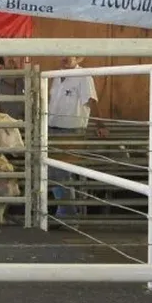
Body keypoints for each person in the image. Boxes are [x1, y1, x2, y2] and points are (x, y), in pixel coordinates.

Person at [47, 57, 108, 221]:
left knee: (62, 173)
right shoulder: (56, 76)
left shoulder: (83, 75)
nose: (65, 58)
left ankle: (69, 214)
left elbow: (92, 101)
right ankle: (65, 211)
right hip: (52, 128)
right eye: (62, 55)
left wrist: (100, 124)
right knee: (53, 172)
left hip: (71, 130)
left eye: (70, 55)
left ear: (78, 58)